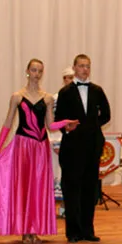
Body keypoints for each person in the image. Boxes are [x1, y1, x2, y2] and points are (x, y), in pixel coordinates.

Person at [0, 59, 76, 244]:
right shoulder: (17, 97)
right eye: (34, 70)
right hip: (23, 146)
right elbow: (8, 123)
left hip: (40, 147)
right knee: (24, 187)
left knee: (38, 187)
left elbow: (50, 125)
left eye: (40, 71)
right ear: (27, 71)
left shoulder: (48, 98)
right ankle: (25, 230)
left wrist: (65, 123)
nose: (36, 74)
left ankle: (34, 229)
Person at [55, 54, 112, 243]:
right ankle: (73, 232)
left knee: (89, 189)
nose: (85, 69)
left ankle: (88, 230)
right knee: (72, 190)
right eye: (81, 66)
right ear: (74, 68)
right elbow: (58, 119)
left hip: (92, 146)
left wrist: (93, 125)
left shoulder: (97, 90)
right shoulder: (65, 92)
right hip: (72, 147)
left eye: (87, 66)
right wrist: (67, 127)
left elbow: (107, 114)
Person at [50, 67, 75, 216]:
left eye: (73, 78)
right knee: (57, 174)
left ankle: (67, 207)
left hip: (75, 143)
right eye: (68, 78)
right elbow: (52, 121)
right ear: (64, 79)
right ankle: (52, 209)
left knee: (71, 176)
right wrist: (56, 141)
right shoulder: (56, 98)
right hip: (58, 142)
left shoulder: (80, 97)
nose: (71, 81)